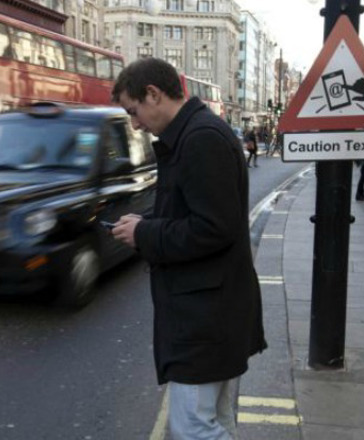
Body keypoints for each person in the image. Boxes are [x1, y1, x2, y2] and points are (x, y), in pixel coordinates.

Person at [109, 58, 267, 440]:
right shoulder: (194, 134)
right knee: (216, 420)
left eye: (134, 111)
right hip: (212, 310)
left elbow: (213, 228)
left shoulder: (200, 139)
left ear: (154, 94)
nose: (135, 123)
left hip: (205, 317)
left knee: (193, 428)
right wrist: (144, 223)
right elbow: (191, 208)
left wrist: (146, 234)